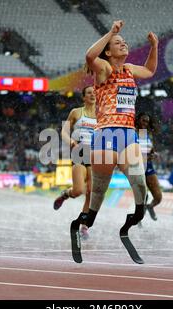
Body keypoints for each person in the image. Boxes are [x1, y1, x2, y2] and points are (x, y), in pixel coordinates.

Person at [72, 20, 158, 260]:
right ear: (108, 51)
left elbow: (150, 71)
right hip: (107, 133)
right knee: (98, 193)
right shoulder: (104, 69)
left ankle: (130, 224)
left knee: (140, 185)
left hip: (128, 133)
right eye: (118, 43)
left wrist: (155, 46)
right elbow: (90, 56)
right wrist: (111, 32)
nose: (124, 44)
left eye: (124, 42)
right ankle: (81, 224)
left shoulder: (130, 69)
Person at [53, 86, 97, 239]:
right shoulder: (76, 112)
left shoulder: (102, 114)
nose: (93, 94)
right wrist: (71, 141)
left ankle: (84, 227)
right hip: (80, 152)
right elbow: (64, 132)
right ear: (84, 97)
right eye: (89, 93)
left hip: (96, 156)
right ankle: (66, 194)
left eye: (94, 92)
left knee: (91, 194)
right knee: (78, 191)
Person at [135, 112, 162, 221]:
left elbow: (150, 150)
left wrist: (154, 154)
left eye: (147, 121)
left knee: (158, 197)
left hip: (148, 166)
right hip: (136, 166)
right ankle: (138, 217)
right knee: (143, 195)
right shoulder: (132, 133)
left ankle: (149, 207)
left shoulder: (146, 134)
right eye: (143, 120)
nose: (145, 123)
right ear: (138, 120)